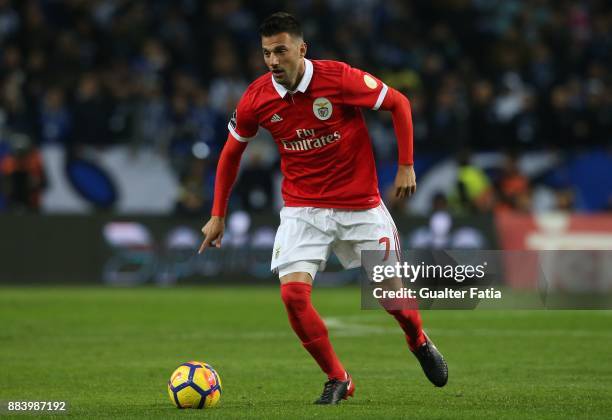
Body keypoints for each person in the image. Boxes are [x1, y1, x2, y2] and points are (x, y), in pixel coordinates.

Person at [198, 12, 448, 405]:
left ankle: (417, 339)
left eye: (281, 51)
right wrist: (217, 214)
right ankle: (338, 378)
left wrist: (405, 165)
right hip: (303, 210)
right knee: (293, 296)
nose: (273, 61)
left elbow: (398, 103)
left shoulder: (339, 79)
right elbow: (231, 155)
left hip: (360, 206)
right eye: (266, 53)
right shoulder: (257, 98)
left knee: (393, 300)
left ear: (301, 49)